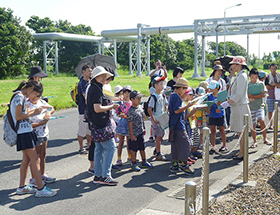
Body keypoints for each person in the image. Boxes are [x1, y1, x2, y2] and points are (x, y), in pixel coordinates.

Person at [11, 80, 57, 197]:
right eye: (35, 94)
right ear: (31, 88)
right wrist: (33, 113)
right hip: (24, 132)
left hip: (25, 131)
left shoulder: (19, 96)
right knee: (35, 159)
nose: (34, 97)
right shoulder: (19, 97)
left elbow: (23, 113)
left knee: (26, 160)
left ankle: (22, 187)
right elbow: (18, 116)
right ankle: (40, 188)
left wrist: (36, 111)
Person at [86, 66, 119, 185]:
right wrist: (112, 106)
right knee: (110, 147)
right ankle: (106, 175)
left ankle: (98, 175)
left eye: (105, 76)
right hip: (101, 124)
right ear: (95, 77)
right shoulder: (96, 89)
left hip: (96, 124)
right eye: (101, 76)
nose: (104, 77)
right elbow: (98, 108)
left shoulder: (95, 88)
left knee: (99, 149)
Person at [221, 56, 252, 160]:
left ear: (239, 65)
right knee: (240, 131)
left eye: (234, 64)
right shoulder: (239, 75)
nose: (232, 66)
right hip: (238, 106)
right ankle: (242, 151)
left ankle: (243, 152)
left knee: (241, 131)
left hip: (240, 106)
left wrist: (228, 102)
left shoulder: (242, 76)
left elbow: (239, 94)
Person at [27, 90, 56, 186]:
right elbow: (26, 123)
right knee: (35, 158)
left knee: (43, 155)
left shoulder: (41, 102)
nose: (35, 97)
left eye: (37, 95)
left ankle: (42, 174)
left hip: (44, 132)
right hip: (34, 134)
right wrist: (40, 123)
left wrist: (48, 113)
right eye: (33, 95)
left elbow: (51, 108)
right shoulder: (27, 104)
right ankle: (34, 178)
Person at [168, 78, 194, 175]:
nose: (184, 92)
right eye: (184, 89)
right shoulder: (176, 97)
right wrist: (187, 106)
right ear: (180, 88)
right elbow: (177, 110)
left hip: (174, 124)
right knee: (186, 145)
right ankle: (184, 165)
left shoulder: (173, 96)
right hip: (178, 125)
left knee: (175, 146)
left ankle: (175, 165)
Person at [127, 90, 153, 171]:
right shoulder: (130, 111)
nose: (139, 100)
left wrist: (144, 128)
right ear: (132, 99)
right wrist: (131, 135)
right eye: (137, 98)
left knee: (142, 147)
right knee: (134, 149)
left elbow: (142, 119)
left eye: (140, 98)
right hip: (134, 133)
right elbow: (130, 124)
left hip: (140, 131)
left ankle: (144, 161)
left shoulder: (140, 108)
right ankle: (133, 163)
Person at [248, 68, 271, 147]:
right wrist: (249, 97)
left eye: (255, 77)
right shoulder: (247, 85)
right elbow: (246, 96)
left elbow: (263, 94)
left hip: (259, 106)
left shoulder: (261, 84)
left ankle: (265, 138)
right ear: (250, 76)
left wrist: (253, 96)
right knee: (253, 124)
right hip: (250, 107)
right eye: (252, 77)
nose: (254, 79)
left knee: (261, 120)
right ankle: (254, 141)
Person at [148, 75, 168, 161]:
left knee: (162, 134)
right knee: (159, 136)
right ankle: (158, 153)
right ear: (155, 86)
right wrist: (153, 119)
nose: (162, 86)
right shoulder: (154, 97)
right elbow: (149, 109)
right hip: (156, 118)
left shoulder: (162, 95)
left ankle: (157, 149)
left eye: (163, 84)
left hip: (162, 118)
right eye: (160, 84)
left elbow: (165, 105)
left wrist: (167, 112)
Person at [207, 80, 227, 153]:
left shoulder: (221, 95)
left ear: (217, 88)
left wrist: (221, 104)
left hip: (220, 115)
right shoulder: (209, 96)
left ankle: (224, 145)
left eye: (213, 88)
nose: (211, 90)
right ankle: (213, 145)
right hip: (212, 115)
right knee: (212, 131)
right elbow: (207, 105)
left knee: (222, 129)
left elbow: (226, 103)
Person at [77, 64, 93, 154]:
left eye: (91, 71)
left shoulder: (90, 81)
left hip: (89, 109)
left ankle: (89, 145)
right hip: (83, 109)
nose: (90, 72)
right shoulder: (81, 83)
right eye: (88, 71)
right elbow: (85, 95)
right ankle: (81, 147)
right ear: (83, 72)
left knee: (89, 129)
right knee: (82, 129)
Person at [115, 86, 132, 165]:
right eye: (125, 93)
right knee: (121, 141)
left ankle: (129, 156)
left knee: (129, 141)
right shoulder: (120, 103)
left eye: (128, 93)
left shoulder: (132, 102)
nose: (127, 94)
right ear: (122, 93)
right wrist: (120, 114)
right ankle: (119, 158)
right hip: (122, 124)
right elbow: (117, 113)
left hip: (129, 124)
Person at [264, 63, 280, 129]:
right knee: (270, 111)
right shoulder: (267, 77)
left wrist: (274, 84)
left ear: (276, 68)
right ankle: (271, 124)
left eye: (274, 68)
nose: (273, 70)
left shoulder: (279, 75)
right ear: (270, 69)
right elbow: (267, 86)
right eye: (272, 68)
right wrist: (276, 86)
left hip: (279, 96)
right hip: (270, 96)